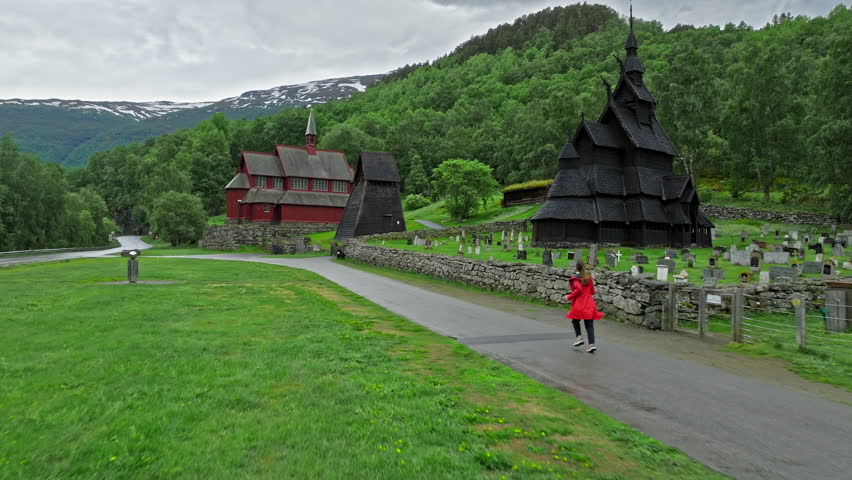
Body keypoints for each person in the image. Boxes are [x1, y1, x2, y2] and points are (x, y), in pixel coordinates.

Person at [564, 260, 604, 352]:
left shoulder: (575, 278)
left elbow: (578, 289)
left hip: (579, 304)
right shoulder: (588, 277)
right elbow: (592, 292)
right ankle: (591, 345)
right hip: (589, 303)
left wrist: (568, 297)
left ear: (576, 268)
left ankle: (579, 338)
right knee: (589, 325)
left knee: (575, 321)